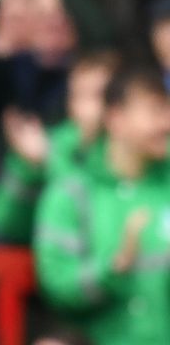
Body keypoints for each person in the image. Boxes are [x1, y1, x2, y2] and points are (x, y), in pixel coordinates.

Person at [34, 67, 170, 344]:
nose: (166, 123)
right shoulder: (70, 193)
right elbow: (58, 285)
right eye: (155, 111)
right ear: (116, 118)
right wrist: (114, 266)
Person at [0, 51, 119, 244]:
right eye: (78, 95)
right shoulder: (52, 142)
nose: (87, 105)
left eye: (97, 94)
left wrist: (50, 161)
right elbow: (3, 222)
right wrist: (27, 169)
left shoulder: (136, 146)